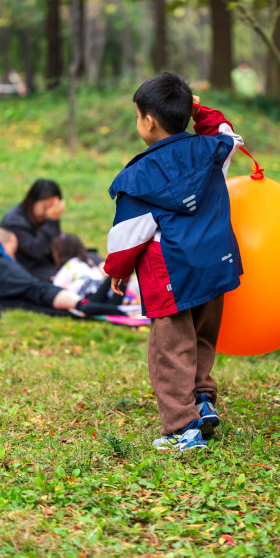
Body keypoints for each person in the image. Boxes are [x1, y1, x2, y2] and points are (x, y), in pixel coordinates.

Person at [103, 72, 243, 451]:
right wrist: (196, 108)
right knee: (202, 337)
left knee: (170, 349)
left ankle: (184, 428)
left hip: (172, 275)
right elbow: (228, 131)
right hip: (216, 264)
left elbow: (127, 236)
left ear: (149, 120)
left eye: (137, 115)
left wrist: (116, 271)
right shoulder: (212, 151)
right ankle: (202, 400)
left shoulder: (138, 177)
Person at [0, 227, 83, 313]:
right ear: (4, 242)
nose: (13, 258)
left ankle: (73, 306)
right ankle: (81, 304)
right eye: (13, 251)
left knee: (25, 304)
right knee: (35, 288)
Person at [0, 179, 66, 281]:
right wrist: (51, 220)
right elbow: (36, 251)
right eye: (45, 207)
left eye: (53, 208)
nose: (48, 212)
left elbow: (56, 244)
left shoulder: (45, 218)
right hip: (23, 269)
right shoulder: (14, 221)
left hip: (44, 264)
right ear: (33, 200)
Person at [51, 233, 127, 313]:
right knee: (113, 300)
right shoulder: (89, 262)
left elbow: (56, 290)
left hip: (86, 299)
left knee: (97, 302)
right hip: (102, 293)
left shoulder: (67, 266)